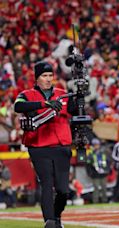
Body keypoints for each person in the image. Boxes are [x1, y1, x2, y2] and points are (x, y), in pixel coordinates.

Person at [14, 61, 76, 228]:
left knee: (63, 190)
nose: (48, 79)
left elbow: (75, 111)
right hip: (39, 146)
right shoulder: (27, 94)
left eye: (50, 75)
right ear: (37, 78)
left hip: (61, 146)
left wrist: (80, 97)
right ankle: (49, 222)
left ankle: (56, 217)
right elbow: (18, 106)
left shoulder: (63, 94)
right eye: (44, 76)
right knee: (47, 184)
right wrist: (45, 104)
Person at [86, 138, 111, 203]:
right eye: (95, 145)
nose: (96, 146)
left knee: (104, 188)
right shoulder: (90, 154)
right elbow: (88, 165)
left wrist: (107, 170)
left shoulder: (103, 152)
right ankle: (95, 201)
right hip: (95, 174)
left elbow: (108, 161)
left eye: (97, 145)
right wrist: (90, 173)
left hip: (103, 173)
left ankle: (105, 201)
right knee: (96, 188)